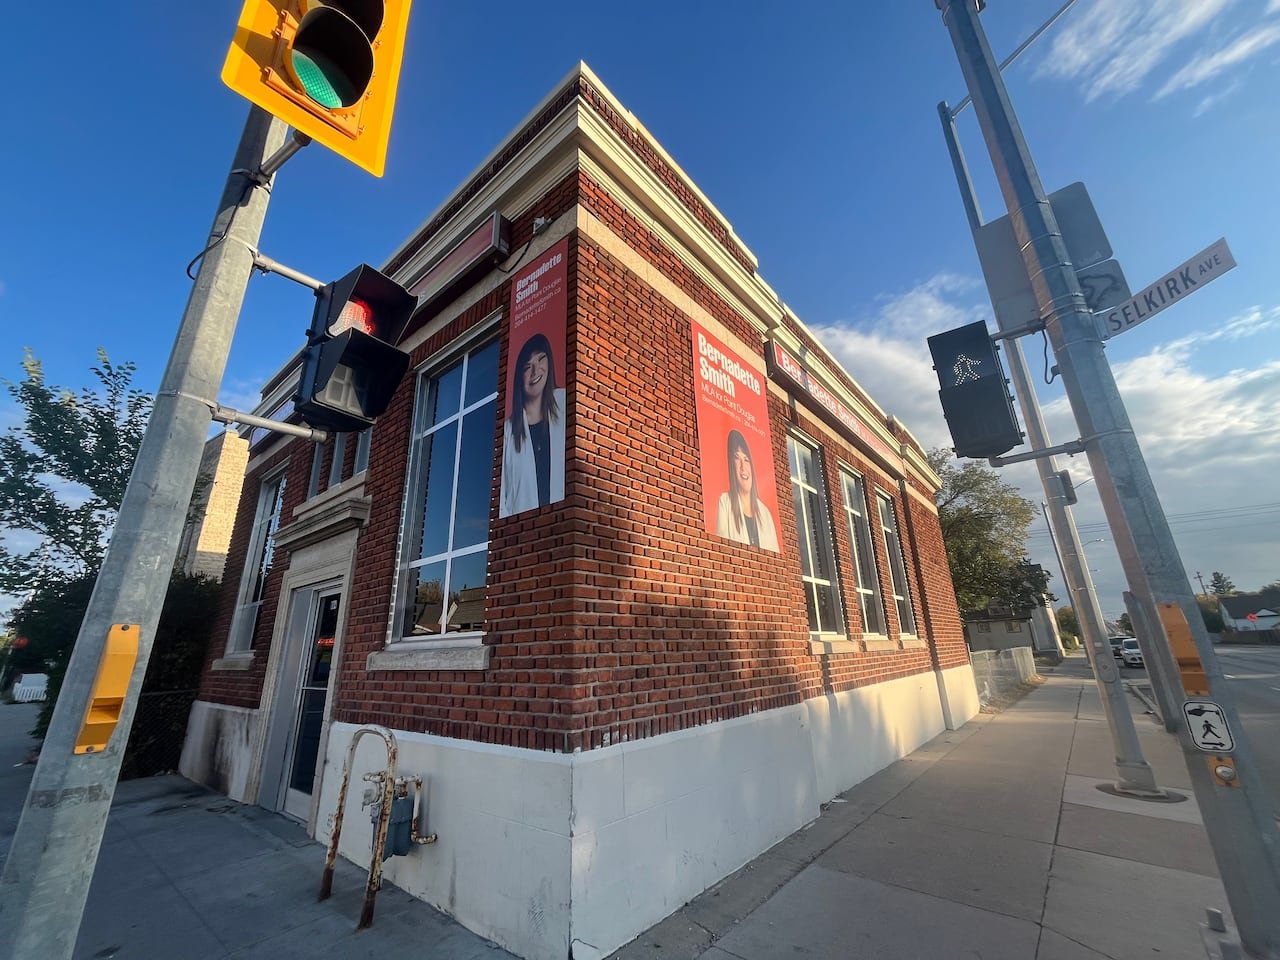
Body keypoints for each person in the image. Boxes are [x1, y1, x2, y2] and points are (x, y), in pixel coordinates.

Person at [500, 332, 566, 516]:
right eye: (528, 367)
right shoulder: (508, 432)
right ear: (519, 377)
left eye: (541, 359)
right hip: (526, 536)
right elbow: (504, 502)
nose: (536, 372)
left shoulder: (566, 405)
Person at [715, 430, 779, 551]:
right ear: (731, 465)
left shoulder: (765, 513)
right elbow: (720, 551)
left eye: (746, 459)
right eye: (737, 459)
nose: (743, 466)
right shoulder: (725, 502)